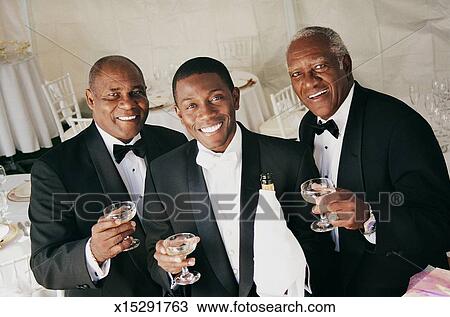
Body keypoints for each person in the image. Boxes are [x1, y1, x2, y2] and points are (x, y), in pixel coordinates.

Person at [143, 57, 336, 297]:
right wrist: (168, 266)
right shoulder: (162, 171)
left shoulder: (290, 158)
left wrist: (292, 284)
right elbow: (154, 254)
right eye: (191, 106)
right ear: (179, 114)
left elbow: (316, 240)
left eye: (216, 98)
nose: (206, 113)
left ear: (235, 97)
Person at [286, 26, 450, 296]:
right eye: (297, 74)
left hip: (398, 285)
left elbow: (441, 223)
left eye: (319, 66)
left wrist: (369, 218)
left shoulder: (400, 124)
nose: (310, 82)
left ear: (345, 64)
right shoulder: (308, 125)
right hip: (336, 280)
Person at [29, 55, 187, 296]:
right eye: (113, 95)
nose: (128, 104)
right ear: (91, 99)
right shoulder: (54, 168)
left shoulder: (173, 142)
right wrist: (94, 251)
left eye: (136, 92)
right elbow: (44, 266)